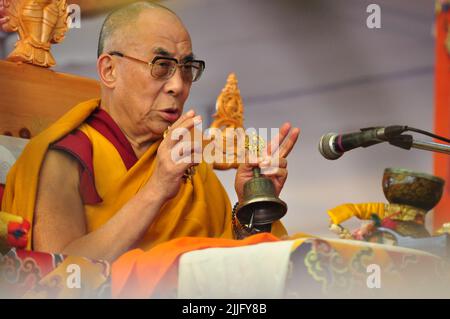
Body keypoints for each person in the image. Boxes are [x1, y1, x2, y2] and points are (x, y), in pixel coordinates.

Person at [1, 1, 299, 262]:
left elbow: (225, 274)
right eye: (161, 66)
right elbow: (60, 273)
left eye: (187, 68)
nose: (178, 86)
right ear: (109, 70)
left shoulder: (189, 165)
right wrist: (157, 188)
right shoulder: (62, 156)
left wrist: (252, 210)